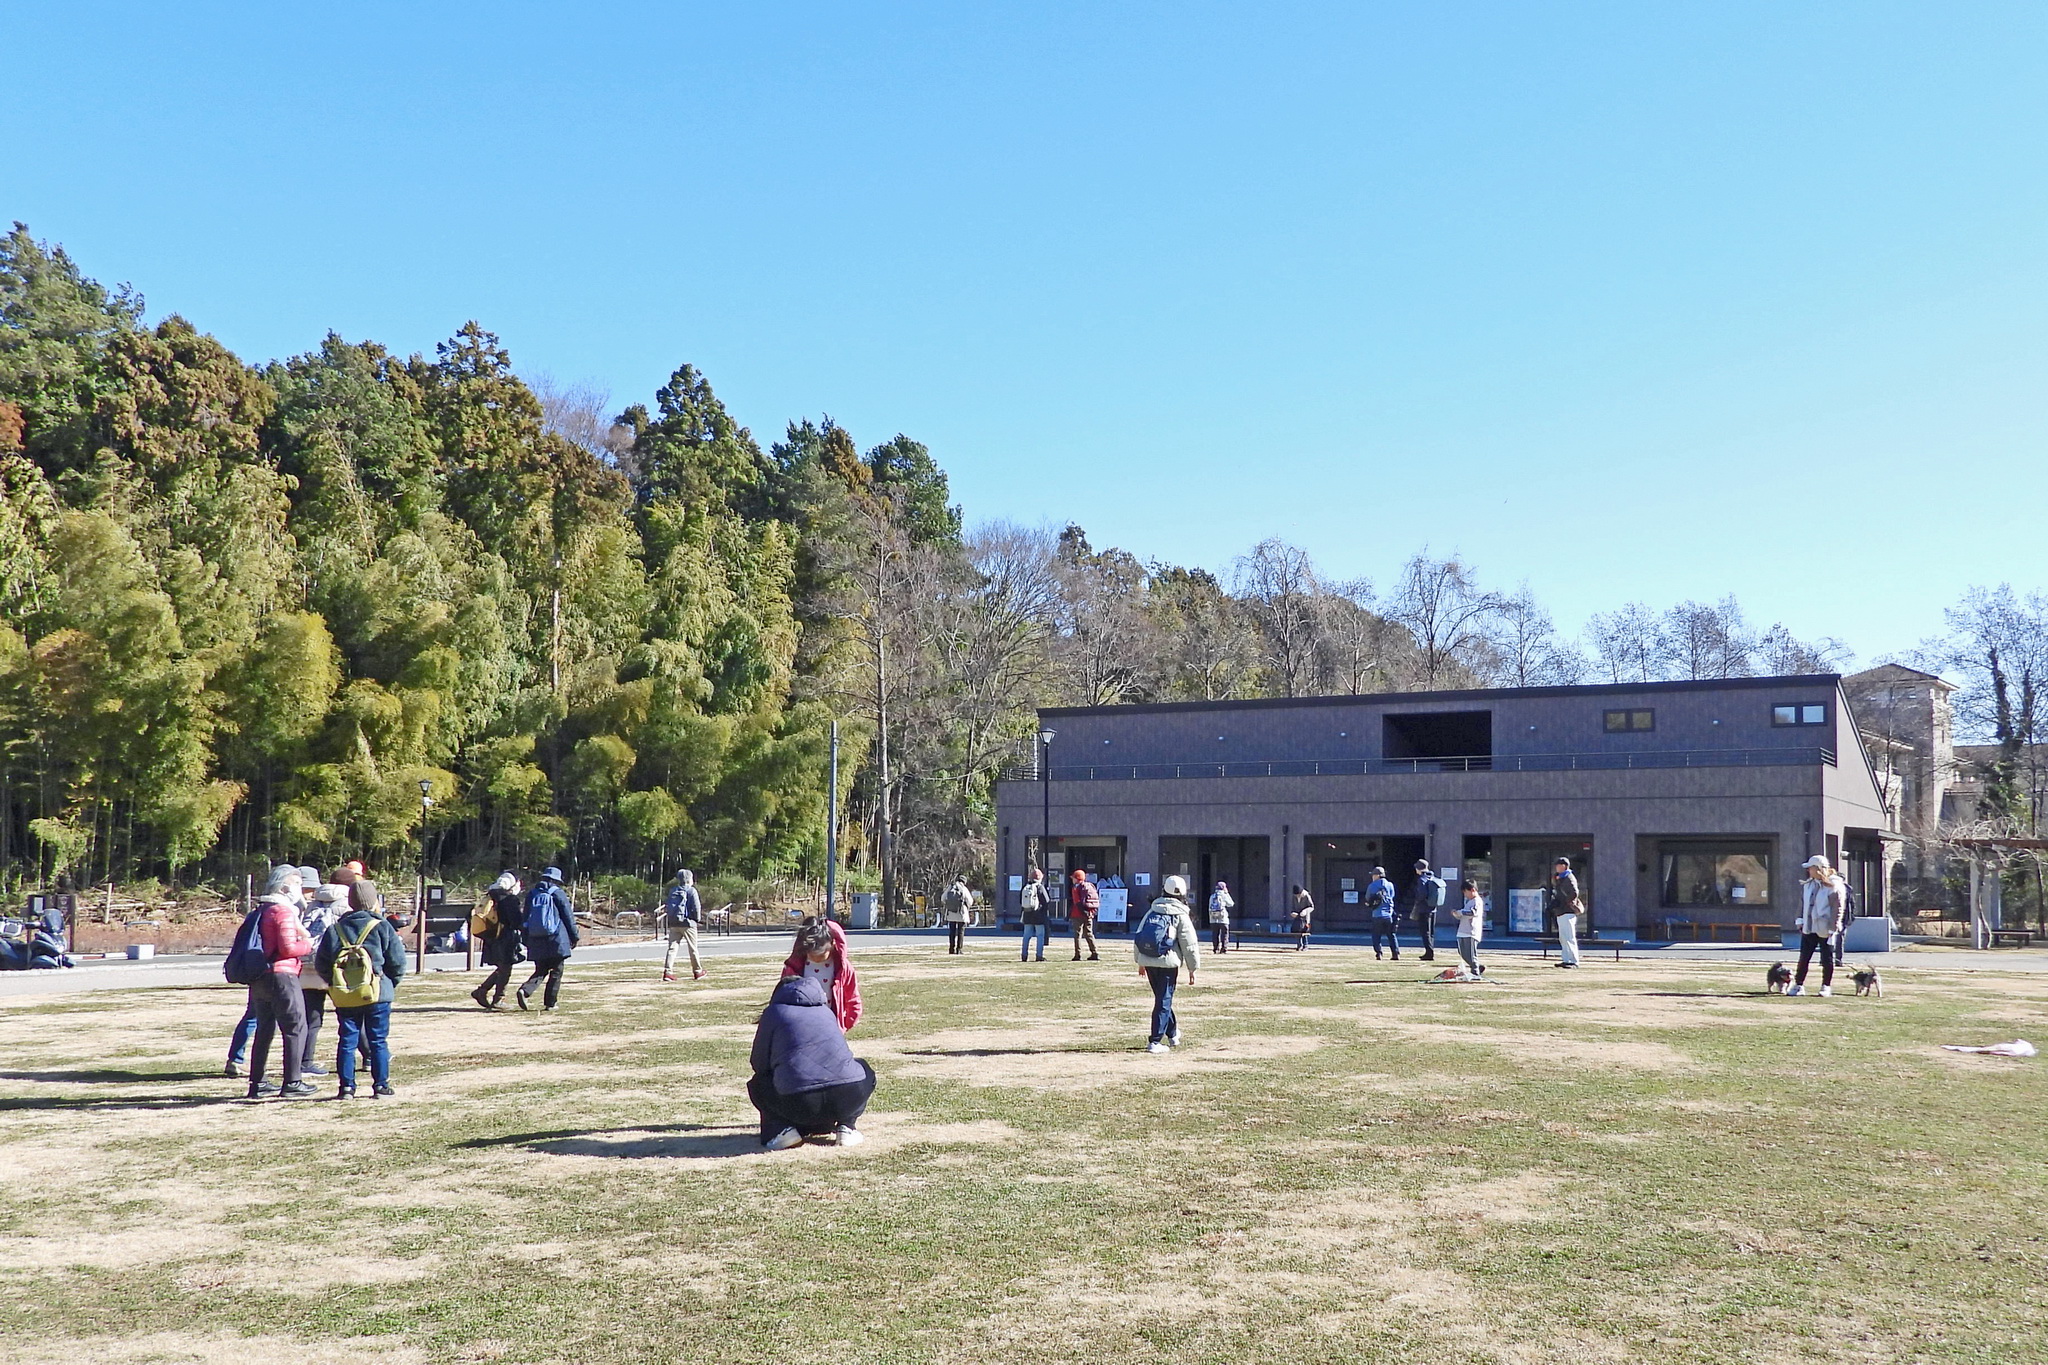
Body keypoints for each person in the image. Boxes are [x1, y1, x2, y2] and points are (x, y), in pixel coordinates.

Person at [748, 973, 877, 1149]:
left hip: (799, 1101)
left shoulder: (773, 1013)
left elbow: (759, 1064)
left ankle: (782, 1130)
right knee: (863, 1069)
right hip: (848, 1097)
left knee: (758, 1083)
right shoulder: (826, 1011)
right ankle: (847, 1126)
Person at [316, 878, 407, 1098]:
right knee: (378, 1040)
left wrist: (336, 984)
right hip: (377, 992)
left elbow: (322, 964)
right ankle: (381, 1085)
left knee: (347, 1040)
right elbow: (398, 962)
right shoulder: (382, 926)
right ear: (375, 901)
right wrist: (388, 984)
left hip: (346, 993)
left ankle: (346, 1087)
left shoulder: (335, 929)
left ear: (350, 902)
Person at [245, 865, 316, 1099]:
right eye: (297, 884)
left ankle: (258, 1082)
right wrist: (308, 945)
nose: (300, 889)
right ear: (284, 886)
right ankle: (293, 1081)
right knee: (296, 1027)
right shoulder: (282, 911)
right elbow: (288, 948)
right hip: (282, 976)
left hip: (260, 977)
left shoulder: (262, 910)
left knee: (264, 1029)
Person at [1134, 874, 1200, 1053]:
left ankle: (1172, 1033)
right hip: (1168, 963)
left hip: (1149, 960)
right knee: (1164, 1000)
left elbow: (1139, 935)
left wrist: (1139, 960)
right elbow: (1189, 944)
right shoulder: (1181, 914)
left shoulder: (1153, 910)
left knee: (1162, 998)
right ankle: (1155, 1041)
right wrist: (1192, 968)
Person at [296, 874, 343, 1078]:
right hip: (333, 968)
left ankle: (305, 1061)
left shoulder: (312, 904)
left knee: (311, 1019)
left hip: (307, 967)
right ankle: (369, 1056)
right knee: (349, 1015)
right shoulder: (346, 904)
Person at [782, 916, 863, 1031]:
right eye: (811, 954)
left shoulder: (843, 968)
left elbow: (853, 999)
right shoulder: (793, 968)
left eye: (821, 954)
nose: (816, 958)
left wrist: (844, 1025)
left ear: (832, 944)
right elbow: (783, 999)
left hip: (831, 1026)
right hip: (802, 1026)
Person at [517, 866, 578, 1011]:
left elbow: (525, 918)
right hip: (556, 938)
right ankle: (550, 1003)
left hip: (536, 938)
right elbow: (568, 917)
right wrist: (574, 936)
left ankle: (525, 990)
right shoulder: (558, 893)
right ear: (556, 880)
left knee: (541, 969)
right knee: (556, 971)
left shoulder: (532, 894)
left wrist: (525, 938)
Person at [1789, 855, 1847, 997]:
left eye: (1811, 868)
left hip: (1825, 928)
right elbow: (1802, 903)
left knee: (1827, 959)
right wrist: (1800, 920)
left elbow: (1837, 908)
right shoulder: (1808, 885)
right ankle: (1798, 985)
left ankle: (1826, 986)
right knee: (1804, 958)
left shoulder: (1834, 886)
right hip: (1809, 927)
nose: (1808, 870)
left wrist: (1833, 928)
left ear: (1818, 869)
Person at [471, 871, 524, 1009]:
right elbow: (516, 921)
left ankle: (482, 991)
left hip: (491, 936)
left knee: (502, 967)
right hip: (506, 937)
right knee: (505, 968)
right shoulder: (509, 899)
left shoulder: (490, 895)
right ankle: (498, 999)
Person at [662, 868, 705, 982]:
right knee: (692, 948)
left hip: (674, 923)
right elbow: (696, 907)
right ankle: (698, 971)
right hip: (688, 923)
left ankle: (668, 972)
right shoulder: (691, 891)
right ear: (690, 879)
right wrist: (696, 920)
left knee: (672, 948)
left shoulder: (673, 890)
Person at [1549, 857, 1585, 968]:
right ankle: (1566, 959)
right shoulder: (1560, 878)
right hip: (1561, 911)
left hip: (1568, 910)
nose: (1556, 867)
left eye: (1558, 865)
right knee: (1563, 937)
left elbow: (1574, 892)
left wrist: (1566, 902)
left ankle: (1574, 961)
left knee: (1569, 937)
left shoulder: (1569, 877)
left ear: (1564, 866)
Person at [1411, 860, 1447, 962]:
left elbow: (1422, 894)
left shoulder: (1421, 879)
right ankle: (1430, 950)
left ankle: (1429, 953)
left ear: (1419, 869)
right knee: (1431, 932)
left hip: (1424, 908)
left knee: (1425, 931)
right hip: (1433, 908)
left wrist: (1418, 900)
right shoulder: (1432, 877)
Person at [1365, 866, 1399, 960]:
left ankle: (1379, 953)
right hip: (1389, 914)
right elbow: (1392, 896)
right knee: (1391, 934)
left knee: (1376, 935)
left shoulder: (1372, 886)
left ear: (1377, 876)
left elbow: (1368, 898)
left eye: (1373, 875)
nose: (1372, 877)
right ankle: (1395, 953)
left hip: (1377, 914)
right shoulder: (1390, 885)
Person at [1019, 866, 1050, 962]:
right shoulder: (1039, 887)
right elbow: (1046, 900)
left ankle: (1024, 955)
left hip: (1027, 914)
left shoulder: (1025, 887)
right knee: (1040, 936)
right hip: (1038, 915)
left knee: (1026, 936)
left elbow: (1020, 901)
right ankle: (1039, 955)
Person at [1455, 880, 1486, 976]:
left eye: (1465, 892)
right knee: (1462, 952)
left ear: (1472, 890)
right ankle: (1477, 966)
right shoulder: (1469, 901)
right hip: (1463, 930)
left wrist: (1460, 912)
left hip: (1471, 931)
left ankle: (1475, 971)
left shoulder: (1477, 901)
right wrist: (1457, 914)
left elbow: (1472, 913)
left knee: (1471, 953)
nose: (1465, 895)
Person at [1068, 868, 1100, 961]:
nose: (1072, 880)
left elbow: (1077, 902)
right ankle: (1094, 952)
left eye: (1073, 878)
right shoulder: (1089, 886)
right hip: (1089, 913)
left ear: (1077, 879)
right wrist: (1088, 913)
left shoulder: (1076, 888)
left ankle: (1078, 954)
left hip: (1078, 914)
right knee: (1089, 933)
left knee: (1077, 934)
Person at [940, 876, 974, 954]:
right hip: (961, 913)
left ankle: (951, 949)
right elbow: (970, 901)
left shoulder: (950, 887)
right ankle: (959, 949)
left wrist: (949, 904)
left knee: (952, 932)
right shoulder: (964, 889)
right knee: (960, 932)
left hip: (951, 913)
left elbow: (942, 898)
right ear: (964, 882)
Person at [1207, 880, 1235, 955]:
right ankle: (1223, 948)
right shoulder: (1224, 895)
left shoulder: (1212, 896)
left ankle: (1215, 948)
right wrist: (1227, 893)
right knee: (1224, 934)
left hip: (1213, 918)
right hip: (1223, 918)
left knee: (1215, 934)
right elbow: (1231, 904)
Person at [1291, 885, 1314, 950]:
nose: (1297, 896)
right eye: (1296, 895)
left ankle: (1305, 945)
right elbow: (1293, 907)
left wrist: (1305, 911)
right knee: (1297, 930)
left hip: (1305, 917)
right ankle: (1299, 945)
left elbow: (1312, 907)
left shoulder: (1306, 895)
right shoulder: (1294, 897)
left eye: (1298, 895)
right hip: (1297, 917)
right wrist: (1292, 912)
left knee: (1304, 930)